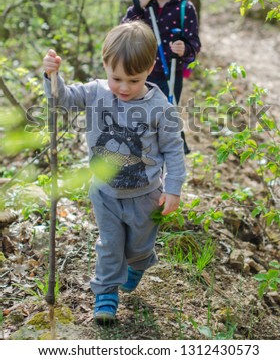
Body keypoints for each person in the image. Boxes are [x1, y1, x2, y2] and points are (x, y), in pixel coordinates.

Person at [43, 21, 186, 323]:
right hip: (105, 192)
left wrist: (173, 189)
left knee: (138, 247)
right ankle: (106, 294)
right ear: (105, 66)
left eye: (133, 80)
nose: (123, 87)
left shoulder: (160, 107)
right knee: (109, 244)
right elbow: (63, 99)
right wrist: (53, 76)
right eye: (116, 78)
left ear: (149, 69)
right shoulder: (96, 93)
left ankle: (138, 263)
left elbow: (174, 150)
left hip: (146, 194)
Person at [122, 0, 201, 154]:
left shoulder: (185, 8)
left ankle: (169, 152)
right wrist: (138, 7)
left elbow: (195, 43)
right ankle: (139, 153)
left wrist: (184, 48)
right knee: (139, 113)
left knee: (164, 114)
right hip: (141, 71)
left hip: (170, 74)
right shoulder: (144, 4)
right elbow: (124, 31)